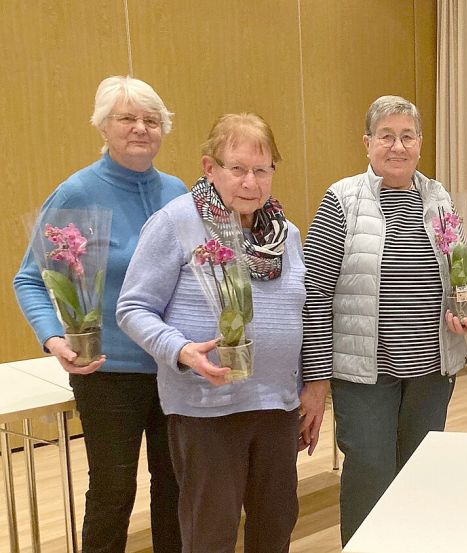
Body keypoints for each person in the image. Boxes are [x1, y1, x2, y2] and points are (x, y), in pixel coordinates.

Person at [116, 113, 306, 552]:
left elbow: (302, 312)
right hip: (207, 409)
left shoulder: (286, 233)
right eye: (237, 168)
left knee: (275, 529)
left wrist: (308, 389)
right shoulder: (176, 222)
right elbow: (133, 307)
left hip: (277, 408)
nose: (250, 182)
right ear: (209, 167)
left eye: (262, 170)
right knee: (211, 535)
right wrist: (181, 350)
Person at [12, 76, 183, 553]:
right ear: (103, 127)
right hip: (108, 371)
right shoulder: (76, 192)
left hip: (173, 366)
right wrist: (54, 339)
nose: (140, 129)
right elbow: (29, 278)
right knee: (113, 493)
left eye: (152, 120)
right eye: (126, 118)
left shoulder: (178, 191)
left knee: (176, 487)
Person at [299, 95, 467, 545]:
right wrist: (316, 377)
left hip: (431, 369)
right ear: (367, 143)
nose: (397, 146)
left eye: (407, 136)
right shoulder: (341, 199)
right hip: (364, 370)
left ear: (420, 143)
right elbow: (315, 291)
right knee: (371, 471)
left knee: (421, 470)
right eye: (386, 136)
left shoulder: (438, 197)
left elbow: (463, 270)